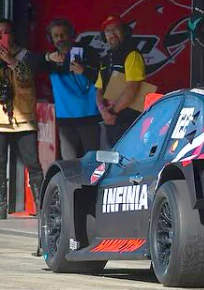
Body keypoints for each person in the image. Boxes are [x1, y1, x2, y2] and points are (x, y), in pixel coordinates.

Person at [0, 19, 44, 221]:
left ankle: (43, 207)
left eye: (6, 32)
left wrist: (12, 61)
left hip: (24, 119)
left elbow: (27, 77)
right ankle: (1, 208)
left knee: (33, 165)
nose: (2, 36)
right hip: (1, 118)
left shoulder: (24, 55)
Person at [42, 19, 101, 159]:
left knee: (92, 161)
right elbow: (31, 61)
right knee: (70, 163)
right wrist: (48, 57)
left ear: (72, 34)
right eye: (56, 36)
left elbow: (104, 78)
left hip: (89, 116)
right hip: (65, 119)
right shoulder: (51, 58)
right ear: (51, 39)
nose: (60, 38)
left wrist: (84, 70)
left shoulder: (88, 52)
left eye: (63, 34)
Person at [95, 16, 145, 149]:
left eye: (116, 29)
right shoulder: (105, 59)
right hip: (110, 119)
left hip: (128, 119)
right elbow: (99, 89)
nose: (112, 34)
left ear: (125, 32)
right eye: (107, 31)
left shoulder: (132, 55)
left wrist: (112, 112)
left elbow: (132, 87)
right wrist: (102, 110)